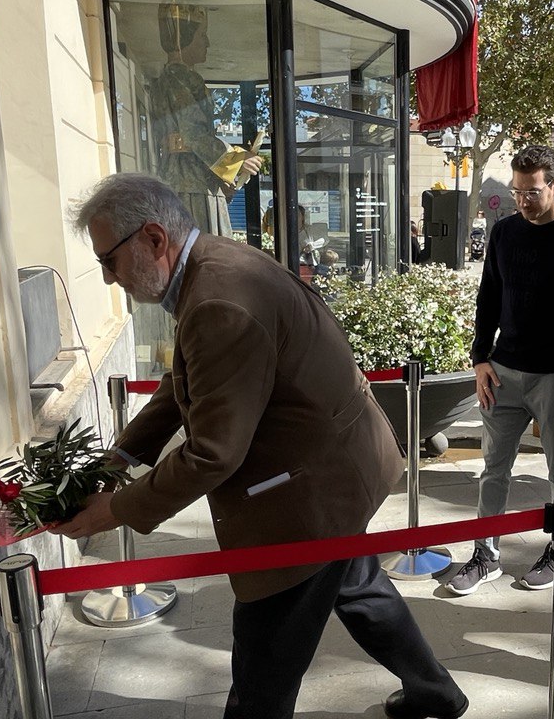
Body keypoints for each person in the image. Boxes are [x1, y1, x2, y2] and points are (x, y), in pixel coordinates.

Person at [57, 173, 468, 719]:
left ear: (154, 239)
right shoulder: (212, 265)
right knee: (358, 586)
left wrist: (116, 509)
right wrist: (125, 454)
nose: (111, 279)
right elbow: (190, 382)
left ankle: (432, 690)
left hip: (304, 498)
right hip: (336, 467)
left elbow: (212, 453)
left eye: (109, 260)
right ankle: (435, 691)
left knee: (262, 674)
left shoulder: (217, 301)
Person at [448, 145, 554, 596]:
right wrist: (480, 358)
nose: (524, 200)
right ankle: (486, 555)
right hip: (503, 371)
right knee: (492, 470)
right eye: (518, 191)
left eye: (533, 191)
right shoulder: (504, 234)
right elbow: (488, 299)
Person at [149, 3, 262, 227]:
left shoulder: (167, 78)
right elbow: (194, 135)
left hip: (184, 177)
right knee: (202, 249)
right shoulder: (180, 77)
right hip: (191, 182)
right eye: (202, 35)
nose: (207, 42)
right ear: (185, 38)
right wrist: (237, 159)